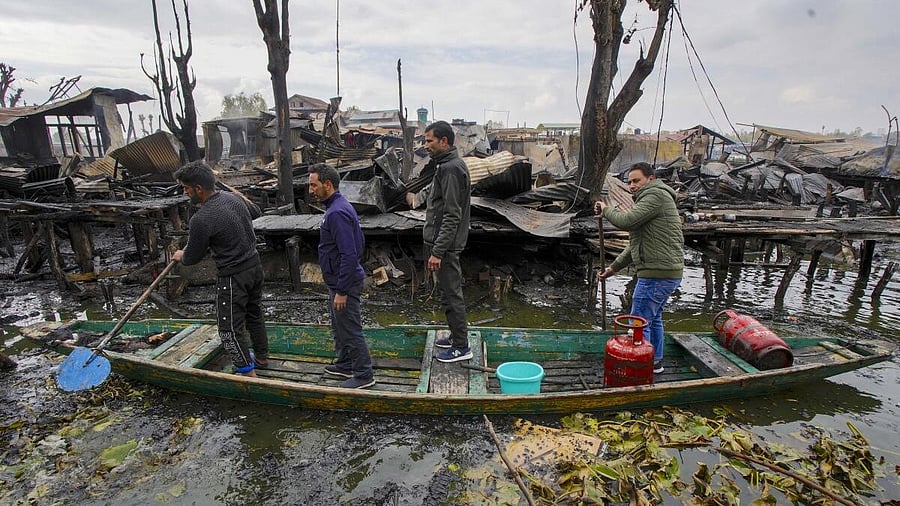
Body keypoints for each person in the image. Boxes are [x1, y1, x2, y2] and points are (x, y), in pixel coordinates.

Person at [172, 161, 268, 377]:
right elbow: (254, 211)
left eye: (186, 189)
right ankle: (261, 357)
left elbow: (192, 257)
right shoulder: (233, 199)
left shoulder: (201, 218)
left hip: (233, 276)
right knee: (254, 313)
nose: (185, 193)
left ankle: (248, 375)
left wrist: (181, 256)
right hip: (254, 266)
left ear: (199, 189)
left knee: (228, 328)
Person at [594, 162, 683, 374]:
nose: (632, 185)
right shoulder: (649, 198)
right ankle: (655, 362)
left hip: (656, 274)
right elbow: (635, 245)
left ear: (650, 179)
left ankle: (641, 367)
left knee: (639, 322)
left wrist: (607, 209)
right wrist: (613, 269)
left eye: (636, 181)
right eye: (630, 182)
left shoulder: (655, 196)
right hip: (664, 272)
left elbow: (627, 221)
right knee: (652, 320)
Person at [406, 121, 472, 363]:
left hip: (446, 245)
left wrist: (438, 250)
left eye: (429, 141)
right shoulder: (445, 165)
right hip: (442, 244)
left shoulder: (451, 168)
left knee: (452, 294)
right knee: (447, 292)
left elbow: (452, 214)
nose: (426, 146)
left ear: (444, 141)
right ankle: (456, 338)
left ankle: (462, 347)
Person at [309, 165, 376, 389]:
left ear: (327, 185)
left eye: (313, 185)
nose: (311, 190)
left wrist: (342, 291)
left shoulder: (337, 212)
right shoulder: (336, 208)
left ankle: (364, 374)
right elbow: (358, 244)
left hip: (344, 283)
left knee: (350, 328)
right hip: (338, 281)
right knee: (339, 326)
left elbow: (349, 253)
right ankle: (346, 363)